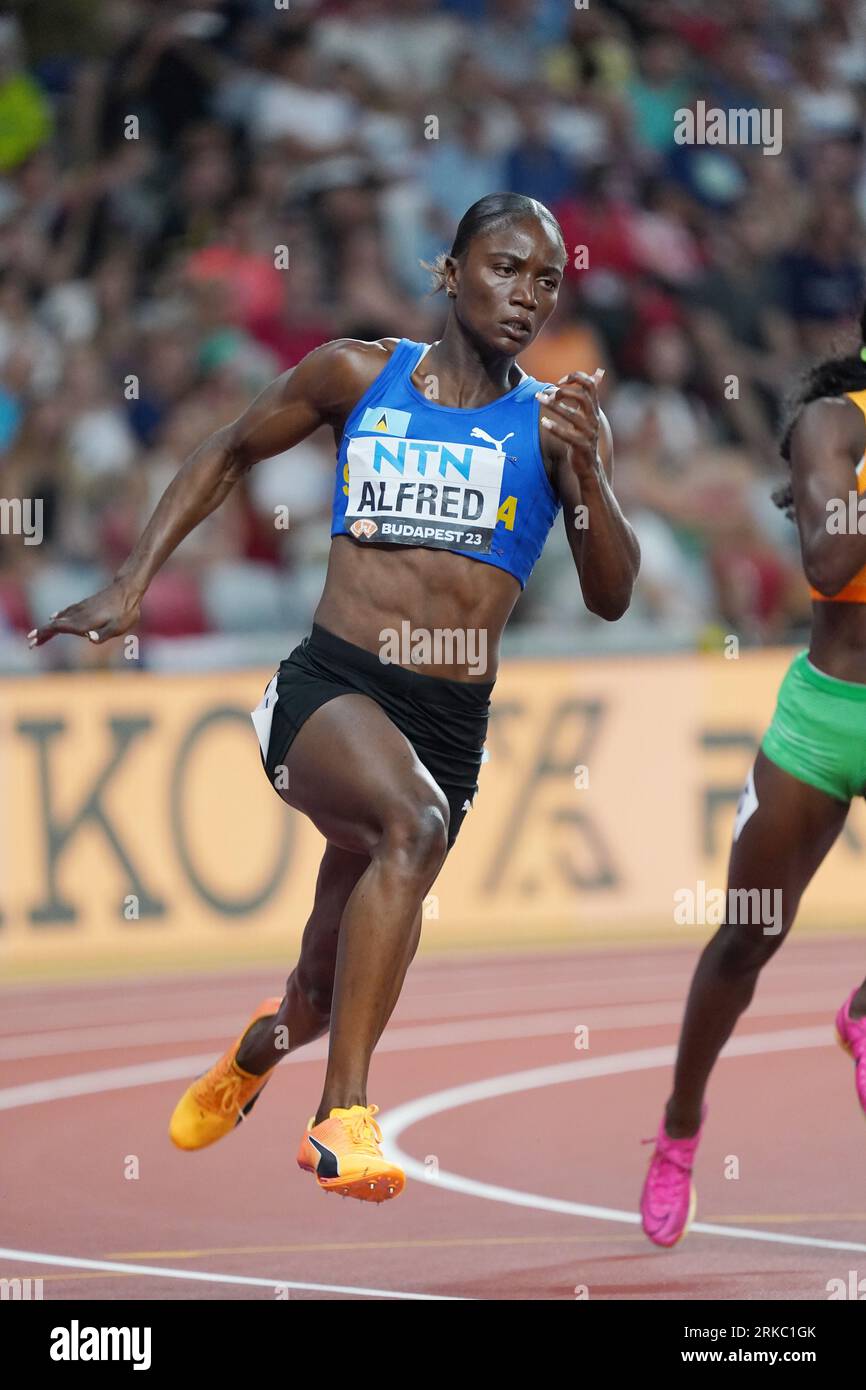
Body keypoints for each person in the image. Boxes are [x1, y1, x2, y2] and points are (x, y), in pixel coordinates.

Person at [28, 192, 639, 1203]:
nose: (525, 295)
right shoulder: (359, 373)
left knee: (317, 989)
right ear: (447, 273)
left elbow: (611, 598)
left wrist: (592, 480)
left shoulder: (555, 425)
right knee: (413, 824)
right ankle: (340, 1118)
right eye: (502, 268)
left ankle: (259, 1051)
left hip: (446, 726)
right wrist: (133, 582)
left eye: (544, 280)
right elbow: (226, 447)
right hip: (329, 688)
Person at [640, 301, 866, 1247]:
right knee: (745, 940)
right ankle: (679, 1134)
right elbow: (829, 556)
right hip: (827, 716)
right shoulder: (833, 424)